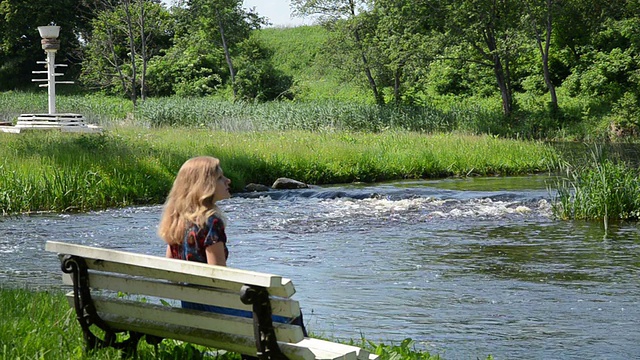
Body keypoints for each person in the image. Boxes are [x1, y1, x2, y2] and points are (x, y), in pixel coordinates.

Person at [157, 156, 306, 358]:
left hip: (191, 306)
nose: (228, 181)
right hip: (215, 309)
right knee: (289, 313)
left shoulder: (176, 220)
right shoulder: (210, 222)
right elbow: (218, 276)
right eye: (220, 178)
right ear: (205, 186)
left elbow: (171, 271)